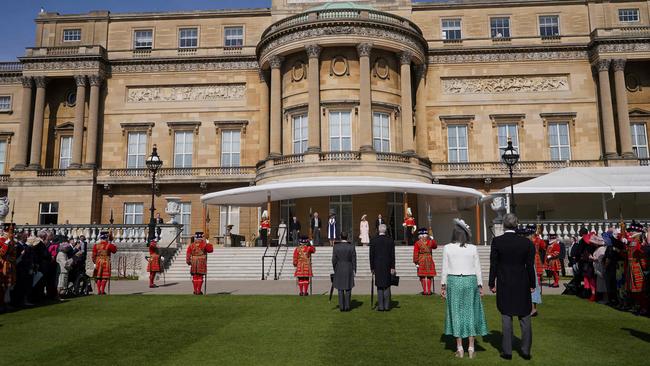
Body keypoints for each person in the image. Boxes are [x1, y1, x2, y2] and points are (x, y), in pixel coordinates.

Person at [488, 213, 535, 361]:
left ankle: (507, 351)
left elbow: (493, 264)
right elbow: (530, 266)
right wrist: (532, 284)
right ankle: (525, 350)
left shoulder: (497, 241)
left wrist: (491, 282)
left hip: (505, 282)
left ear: (504, 225)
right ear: (516, 224)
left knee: (506, 316)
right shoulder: (526, 243)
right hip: (522, 281)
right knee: (525, 316)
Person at [441, 219, 488, 359]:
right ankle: (471, 347)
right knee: (471, 312)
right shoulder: (472, 248)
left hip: (454, 280)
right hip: (470, 280)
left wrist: (443, 285)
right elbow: (477, 267)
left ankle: (460, 348)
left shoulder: (448, 247)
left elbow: (445, 268)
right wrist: (480, 285)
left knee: (456, 313)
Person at [370, 224, 395, 311]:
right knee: (387, 285)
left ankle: (381, 306)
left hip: (377, 265)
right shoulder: (390, 240)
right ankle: (387, 306)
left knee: (380, 286)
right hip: (387, 265)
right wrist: (393, 267)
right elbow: (392, 255)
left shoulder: (374, 240)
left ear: (378, 230)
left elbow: (371, 256)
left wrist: (372, 267)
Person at [624, 221, 647, 315]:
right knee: (633, 290)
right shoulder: (632, 241)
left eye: (632, 231)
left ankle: (644, 307)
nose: (630, 232)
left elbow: (642, 254)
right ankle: (637, 306)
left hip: (638, 268)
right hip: (631, 268)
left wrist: (645, 268)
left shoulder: (638, 241)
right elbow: (627, 254)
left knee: (640, 290)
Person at [332, 232, 356, 311]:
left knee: (340, 288)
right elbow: (354, 259)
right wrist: (354, 269)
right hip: (348, 267)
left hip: (339, 267)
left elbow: (334, 259)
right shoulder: (351, 246)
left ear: (340, 237)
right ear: (347, 237)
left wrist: (335, 268)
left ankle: (342, 306)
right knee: (348, 287)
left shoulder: (336, 246)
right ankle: (347, 306)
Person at [413, 227, 437, 295]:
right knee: (428, 276)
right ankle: (428, 291)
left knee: (423, 276)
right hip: (428, 259)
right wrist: (432, 239)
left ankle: (426, 291)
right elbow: (435, 246)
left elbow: (415, 253)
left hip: (422, 260)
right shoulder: (430, 241)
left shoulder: (418, 243)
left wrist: (416, 262)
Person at [92, 231, 117, 295]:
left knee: (98, 277)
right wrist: (113, 243)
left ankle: (99, 290)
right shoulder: (109, 245)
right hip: (106, 261)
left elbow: (93, 255)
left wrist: (94, 262)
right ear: (106, 238)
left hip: (98, 261)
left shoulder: (96, 245)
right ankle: (102, 290)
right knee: (104, 277)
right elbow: (114, 251)